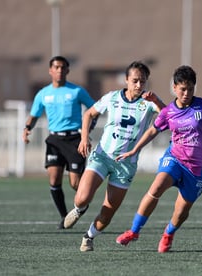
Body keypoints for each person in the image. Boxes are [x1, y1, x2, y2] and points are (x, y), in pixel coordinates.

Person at [115, 65, 202, 253]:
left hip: (197, 168)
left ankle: (168, 233)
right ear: (175, 87)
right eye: (183, 89)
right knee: (156, 187)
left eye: (191, 89)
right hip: (174, 159)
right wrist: (134, 150)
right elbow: (153, 130)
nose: (187, 93)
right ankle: (134, 231)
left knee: (181, 212)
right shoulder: (169, 111)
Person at [63, 61, 166, 252]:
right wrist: (84, 138)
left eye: (142, 81)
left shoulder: (149, 102)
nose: (138, 85)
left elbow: (170, 117)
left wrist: (158, 102)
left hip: (126, 165)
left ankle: (89, 236)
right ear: (126, 80)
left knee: (108, 212)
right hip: (103, 156)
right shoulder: (112, 98)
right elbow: (89, 114)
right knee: (82, 198)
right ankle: (79, 209)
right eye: (135, 80)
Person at [22, 56, 95, 229]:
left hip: (74, 140)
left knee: (75, 184)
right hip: (54, 139)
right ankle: (65, 217)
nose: (60, 70)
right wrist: (27, 128)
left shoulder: (77, 91)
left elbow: (94, 110)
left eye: (63, 67)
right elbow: (34, 114)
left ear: (68, 71)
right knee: (54, 180)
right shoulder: (43, 94)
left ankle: (83, 203)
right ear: (50, 70)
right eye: (56, 67)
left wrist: (87, 131)